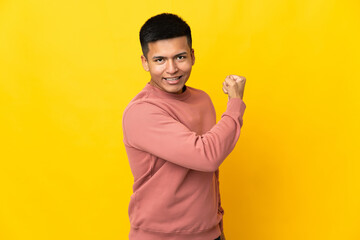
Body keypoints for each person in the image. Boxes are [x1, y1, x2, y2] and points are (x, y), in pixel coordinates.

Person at [122, 13, 246, 240]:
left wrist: (218, 223)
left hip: (209, 233)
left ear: (192, 55)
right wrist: (235, 104)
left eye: (180, 57)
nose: (171, 69)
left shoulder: (202, 100)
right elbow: (207, 156)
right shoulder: (141, 112)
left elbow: (209, 177)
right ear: (145, 62)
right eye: (160, 60)